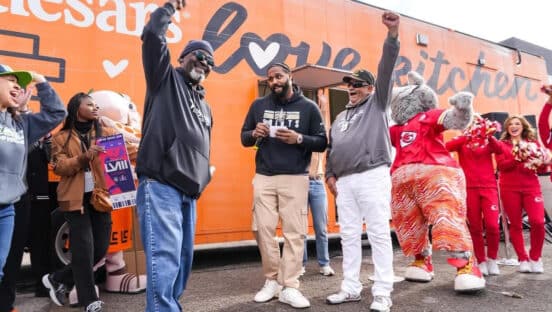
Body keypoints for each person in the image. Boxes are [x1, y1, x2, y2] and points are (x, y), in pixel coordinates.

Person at [136, 0, 215, 310]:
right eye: (199, 56)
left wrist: (204, 176)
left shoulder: (206, 107)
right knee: (164, 260)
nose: (205, 63)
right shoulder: (164, 78)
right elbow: (154, 36)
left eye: (210, 62)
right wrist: (168, 8)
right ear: (183, 57)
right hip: (161, 183)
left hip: (189, 193)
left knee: (181, 263)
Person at [324, 11, 399, 312]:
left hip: (372, 175)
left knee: (379, 233)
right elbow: (334, 147)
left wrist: (392, 36)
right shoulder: (340, 116)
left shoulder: (378, 103)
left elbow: (387, 69)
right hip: (345, 181)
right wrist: (330, 174)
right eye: (348, 85)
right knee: (349, 235)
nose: (351, 88)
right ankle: (351, 288)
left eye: (357, 83)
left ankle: (383, 292)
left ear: (370, 87)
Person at [241, 62, 327, 309]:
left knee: (294, 232)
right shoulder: (259, 106)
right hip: (264, 175)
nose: (274, 82)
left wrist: (298, 138)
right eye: (270, 79)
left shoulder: (308, 108)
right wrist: (254, 133)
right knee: (262, 228)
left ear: (289, 76)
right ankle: (272, 281)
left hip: (295, 176)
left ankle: (289, 286)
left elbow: (322, 142)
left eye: (278, 76)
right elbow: (244, 137)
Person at [43, 92, 127, 312]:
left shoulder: (107, 132)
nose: (95, 107)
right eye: (89, 104)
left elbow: (121, 161)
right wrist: (84, 157)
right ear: (76, 109)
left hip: (100, 200)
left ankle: (58, 278)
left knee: (99, 249)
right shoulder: (61, 138)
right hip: (74, 200)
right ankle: (90, 301)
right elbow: (59, 167)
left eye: (96, 104)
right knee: (84, 250)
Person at [0, 64, 65, 286]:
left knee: (2, 268)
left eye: (19, 83)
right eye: (10, 80)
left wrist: (42, 83)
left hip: (8, 208)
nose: (17, 86)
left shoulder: (21, 124)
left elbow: (56, 113)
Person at [0, 98, 54, 312]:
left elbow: (51, 159)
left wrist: (45, 138)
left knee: (14, 254)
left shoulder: (35, 136)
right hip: (11, 193)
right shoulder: (12, 131)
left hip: (25, 197)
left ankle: (7, 302)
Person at [445, 115, 503, 275]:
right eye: (470, 123)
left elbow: (499, 150)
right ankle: (481, 261)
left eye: (477, 123)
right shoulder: (463, 141)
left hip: (489, 187)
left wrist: (489, 136)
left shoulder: (487, 141)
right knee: (476, 227)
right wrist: (465, 136)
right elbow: (446, 147)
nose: (474, 126)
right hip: (469, 188)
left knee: (492, 225)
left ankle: (492, 259)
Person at [496, 115, 548, 273]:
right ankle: (523, 259)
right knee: (516, 224)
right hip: (509, 188)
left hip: (531, 187)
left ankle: (535, 258)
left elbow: (541, 168)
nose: (513, 126)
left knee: (538, 222)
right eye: (510, 124)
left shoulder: (533, 143)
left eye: (517, 123)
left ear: (523, 126)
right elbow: (501, 166)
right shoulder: (501, 145)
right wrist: (518, 158)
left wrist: (541, 162)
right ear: (507, 128)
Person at [302, 90, 334, 277]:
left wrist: (324, 108)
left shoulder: (319, 137)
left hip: (317, 183)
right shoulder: (301, 136)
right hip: (300, 182)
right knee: (300, 229)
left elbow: (326, 128)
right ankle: (301, 264)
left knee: (321, 228)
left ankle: (324, 264)